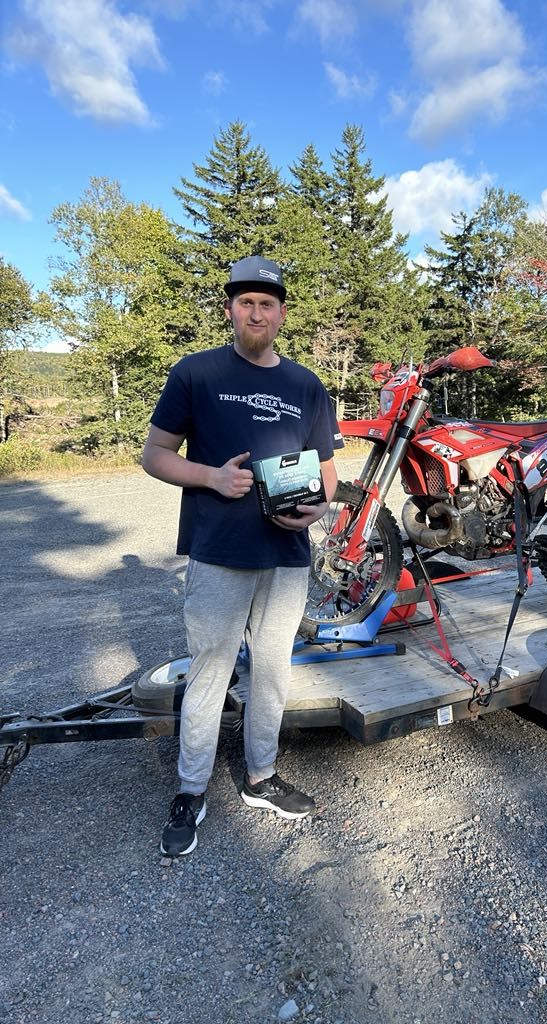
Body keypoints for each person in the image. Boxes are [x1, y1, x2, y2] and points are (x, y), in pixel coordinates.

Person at [142, 254, 341, 857]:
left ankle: (261, 777)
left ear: (282, 313)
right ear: (231, 309)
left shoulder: (306, 385)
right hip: (219, 553)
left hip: (285, 558)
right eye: (246, 302)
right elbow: (154, 454)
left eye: (268, 303)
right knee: (210, 674)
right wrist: (208, 477)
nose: (257, 312)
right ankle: (191, 790)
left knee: (273, 672)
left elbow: (327, 471)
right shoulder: (196, 374)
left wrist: (316, 510)